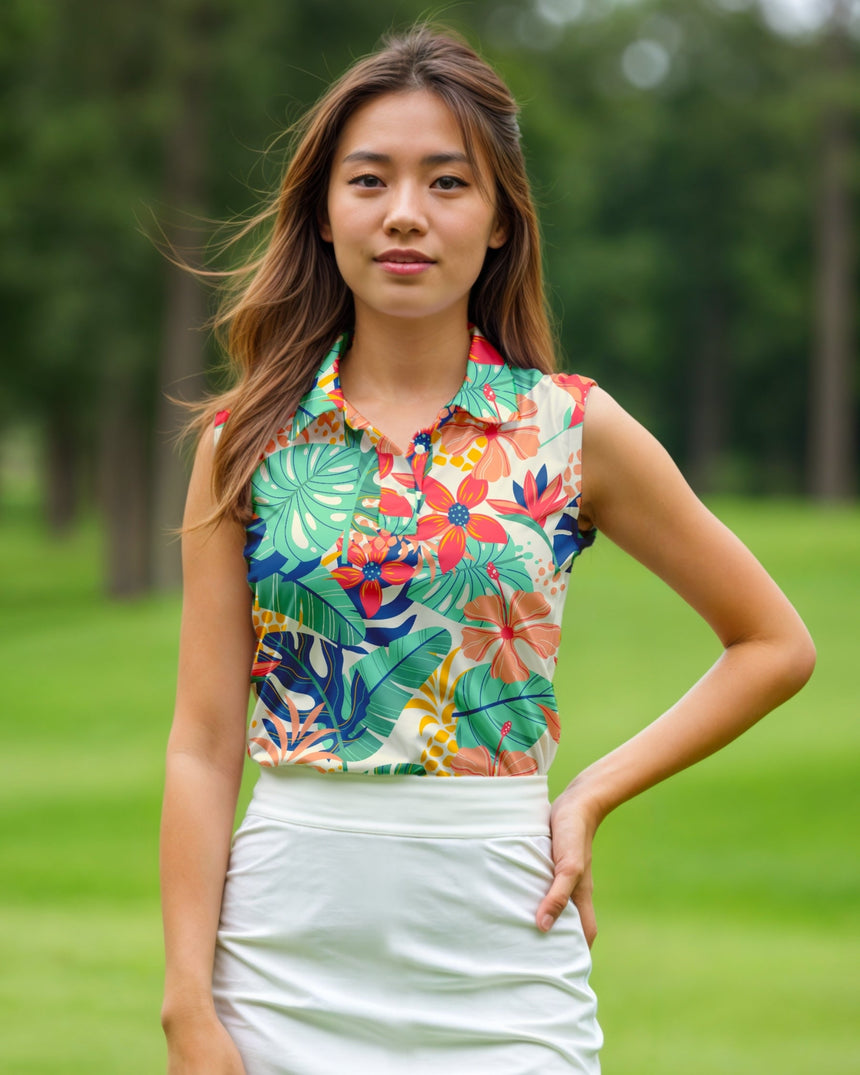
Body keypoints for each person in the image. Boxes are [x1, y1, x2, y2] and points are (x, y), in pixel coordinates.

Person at [159, 25, 815, 1075]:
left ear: (501, 216)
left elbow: (770, 642)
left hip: (503, 967)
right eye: (368, 180)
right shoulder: (244, 445)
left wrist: (589, 790)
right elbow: (201, 743)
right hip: (280, 965)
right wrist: (188, 1005)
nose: (404, 213)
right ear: (324, 214)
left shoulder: (569, 427)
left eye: (447, 182)